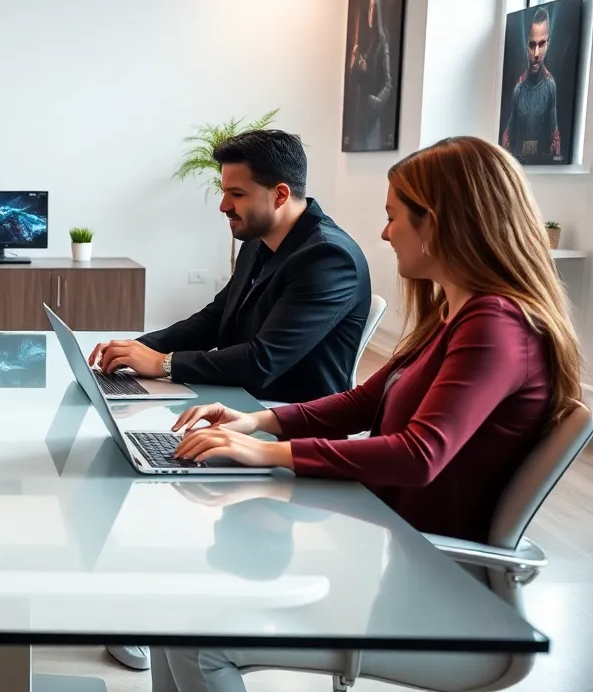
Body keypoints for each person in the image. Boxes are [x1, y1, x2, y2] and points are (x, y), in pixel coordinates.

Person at [150, 136, 583, 691]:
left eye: (393, 216)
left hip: (434, 594)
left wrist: (268, 452)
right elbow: (364, 401)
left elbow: (419, 456)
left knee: (198, 636)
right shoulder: (455, 314)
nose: (383, 234)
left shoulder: (496, 325)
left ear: (439, 224)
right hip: (387, 547)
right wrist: (258, 423)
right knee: (174, 606)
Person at [90, 130, 371, 406]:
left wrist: (164, 363)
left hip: (287, 416)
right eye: (224, 192)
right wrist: (136, 349)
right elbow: (215, 319)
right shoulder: (258, 240)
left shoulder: (328, 258)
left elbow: (262, 361)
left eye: (237, 194)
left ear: (280, 195)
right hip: (238, 399)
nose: (223, 206)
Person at [501, 6, 561, 163]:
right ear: (526, 44)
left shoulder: (550, 86)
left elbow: (554, 132)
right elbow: (509, 132)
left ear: (548, 43)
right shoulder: (519, 88)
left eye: (541, 44)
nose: (536, 54)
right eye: (532, 45)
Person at [346, 0, 393, 150]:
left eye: (375, 8)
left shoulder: (382, 44)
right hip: (361, 117)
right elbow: (354, 82)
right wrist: (355, 65)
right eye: (370, 8)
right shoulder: (366, 43)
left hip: (373, 119)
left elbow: (387, 84)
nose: (371, 13)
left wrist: (375, 101)